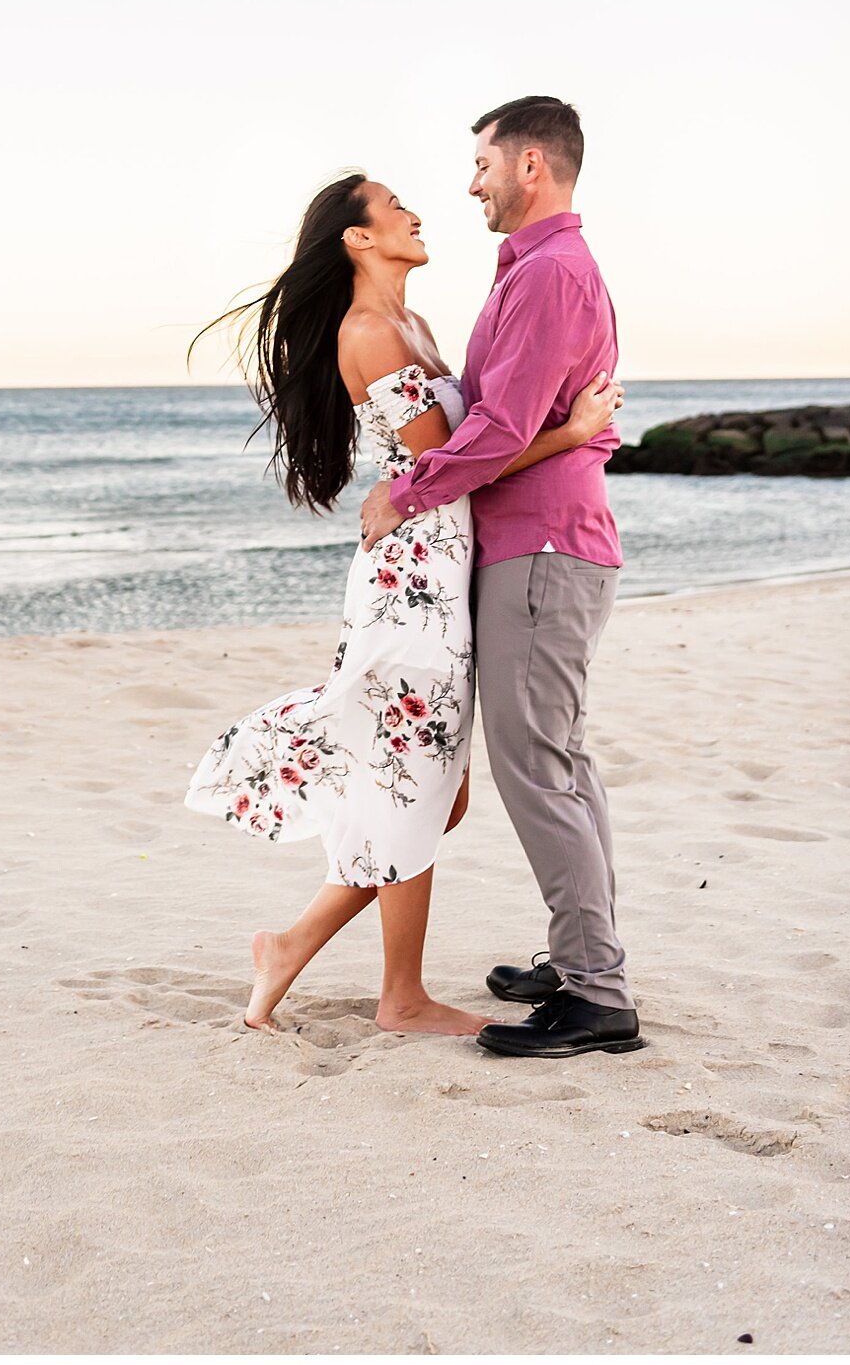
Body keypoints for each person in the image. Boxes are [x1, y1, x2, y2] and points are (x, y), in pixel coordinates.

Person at [184, 168, 621, 1036]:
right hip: (414, 579)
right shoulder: (371, 330)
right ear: (358, 236)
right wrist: (569, 433)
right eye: (394, 206)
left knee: (426, 784)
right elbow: (454, 461)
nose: (417, 211)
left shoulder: (414, 324)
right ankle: (400, 996)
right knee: (419, 778)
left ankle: (302, 948)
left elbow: (455, 457)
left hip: (444, 568)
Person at [357, 95, 645, 1059]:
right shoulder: (535, 269)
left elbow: (501, 428)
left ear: (531, 165)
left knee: (536, 769)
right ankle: (580, 957)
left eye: (481, 162)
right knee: (559, 760)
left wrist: (409, 487)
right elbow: (530, 417)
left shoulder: (551, 272)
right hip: (544, 544)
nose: (469, 180)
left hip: (541, 548)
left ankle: (596, 992)